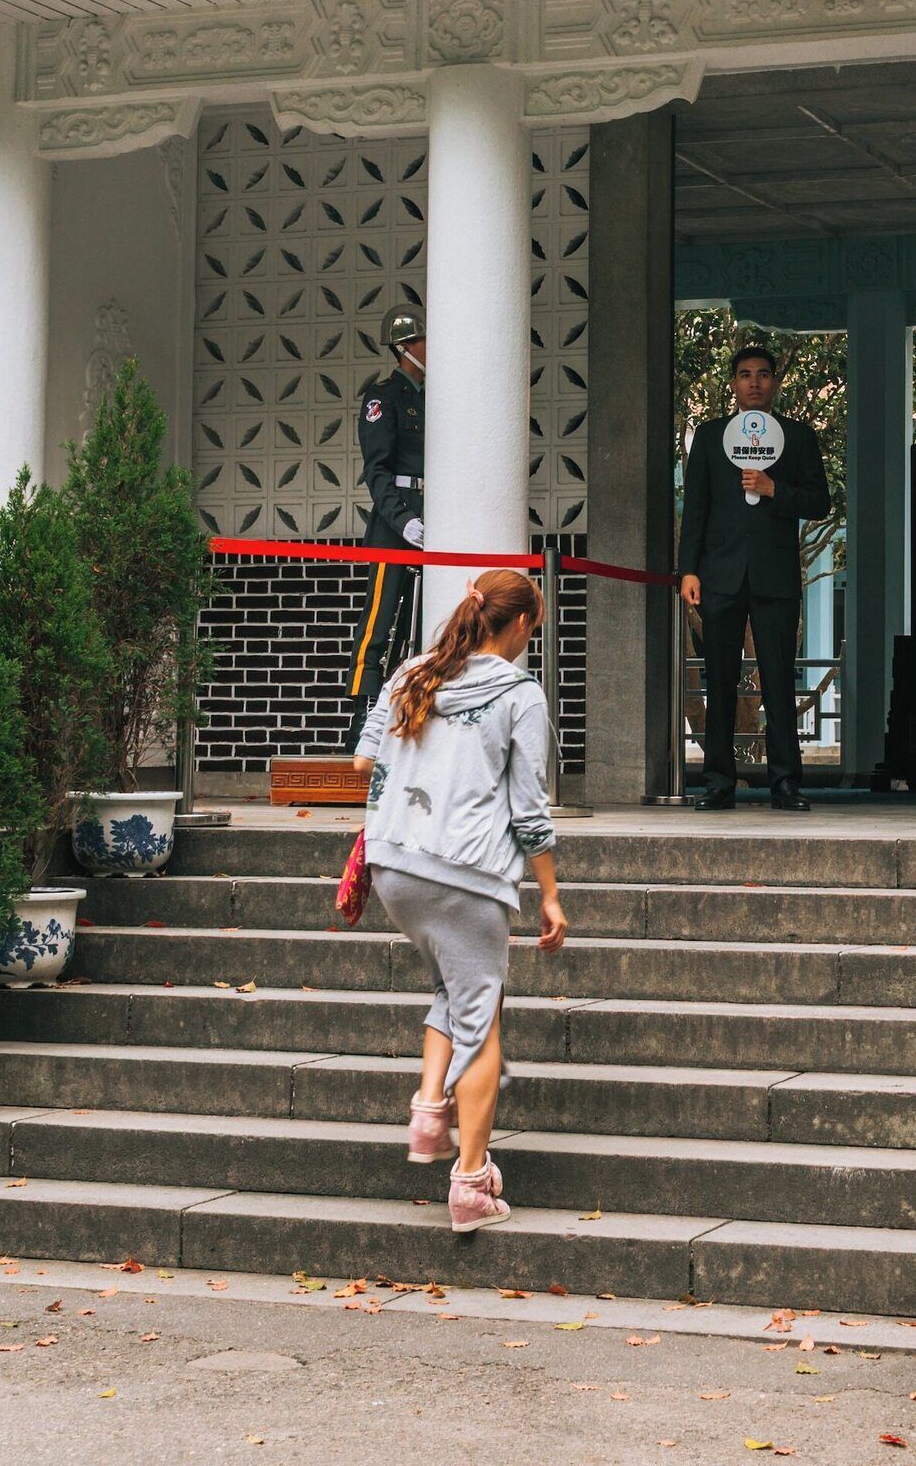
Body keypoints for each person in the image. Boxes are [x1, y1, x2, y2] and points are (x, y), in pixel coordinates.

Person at [354, 568, 567, 1233]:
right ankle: (470, 1183)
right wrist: (551, 896)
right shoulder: (519, 694)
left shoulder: (413, 673)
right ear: (525, 624)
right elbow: (529, 810)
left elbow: (365, 763)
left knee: (453, 989)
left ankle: (428, 1113)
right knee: (483, 1026)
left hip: (395, 866)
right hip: (466, 874)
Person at [677, 340, 831, 812]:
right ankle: (719, 782)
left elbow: (819, 503)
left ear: (775, 383)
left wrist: (773, 489)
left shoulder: (800, 437)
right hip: (719, 575)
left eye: (763, 374)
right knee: (719, 680)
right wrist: (688, 570)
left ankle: (785, 782)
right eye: (745, 374)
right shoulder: (708, 436)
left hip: (775, 576)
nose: (755, 382)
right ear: (733, 383)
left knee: (778, 679)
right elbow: (696, 509)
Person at [345, 309, 429, 736]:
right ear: (404, 348)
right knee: (379, 623)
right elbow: (377, 472)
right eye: (422, 341)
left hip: (432, 522)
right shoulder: (383, 397)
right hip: (395, 529)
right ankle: (362, 714)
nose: (429, 348)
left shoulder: (432, 397)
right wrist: (404, 520)